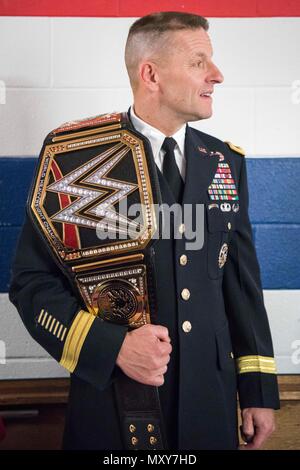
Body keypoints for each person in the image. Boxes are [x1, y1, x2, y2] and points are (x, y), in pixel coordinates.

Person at [9, 11, 280, 450]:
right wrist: (110, 347)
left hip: (209, 407)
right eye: (198, 62)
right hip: (111, 408)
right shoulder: (76, 157)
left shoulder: (224, 163)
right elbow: (31, 285)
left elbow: (241, 286)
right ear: (150, 73)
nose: (217, 75)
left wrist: (257, 391)